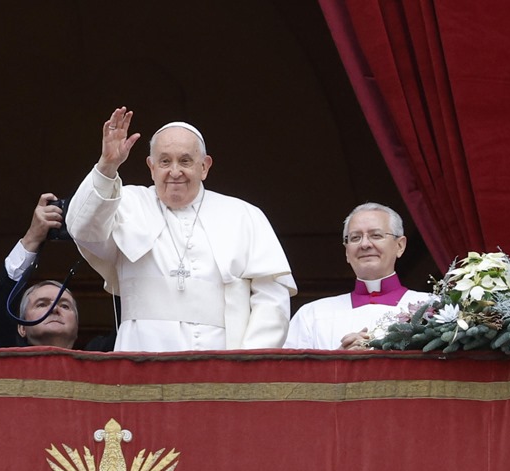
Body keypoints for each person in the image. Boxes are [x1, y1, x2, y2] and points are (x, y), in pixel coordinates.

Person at [65, 106, 297, 352]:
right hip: (141, 359)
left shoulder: (243, 215)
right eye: (165, 161)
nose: (175, 172)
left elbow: (272, 298)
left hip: (221, 365)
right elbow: (81, 228)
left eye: (185, 161)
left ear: (204, 166)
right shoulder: (126, 203)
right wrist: (107, 166)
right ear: (151, 167)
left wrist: (247, 362)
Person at [283, 202, 430, 350]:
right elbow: (288, 371)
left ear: (400, 246)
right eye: (355, 238)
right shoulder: (311, 315)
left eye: (376, 235)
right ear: (347, 252)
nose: (365, 244)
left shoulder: (432, 307)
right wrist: (337, 361)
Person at [0, 194, 112, 350]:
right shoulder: (9, 357)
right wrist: (32, 237)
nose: (54, 309)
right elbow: (0, 309)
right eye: (41, 304)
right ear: (21, 328)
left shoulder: (99, 359)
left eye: (65, 306)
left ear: (77, 327)